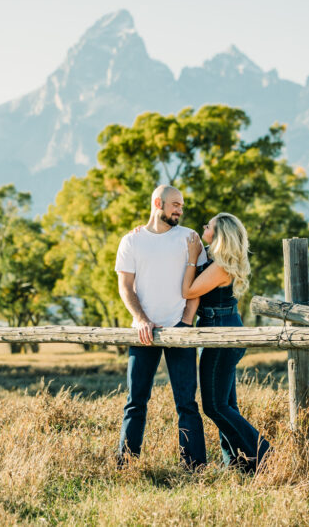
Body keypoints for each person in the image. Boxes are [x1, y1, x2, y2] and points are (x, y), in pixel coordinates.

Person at [115, 184, 207, 468]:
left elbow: (197, 287)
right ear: (158, 203)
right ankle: (126, 466)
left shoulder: (190, 238)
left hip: (180, 331)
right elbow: (125, 287)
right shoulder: (131, 241)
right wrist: (141, 319)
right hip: (144, 333)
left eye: (181, 205)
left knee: (187, 403)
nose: (180, 210)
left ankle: (193, 467)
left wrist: (186, 322)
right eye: (175, 204)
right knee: (135, 402)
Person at [182, 213, 272, 472]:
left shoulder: (221, 266)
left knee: (215, 405)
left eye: (208, 226)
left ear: (219, 234)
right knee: (227, 403)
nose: (203, 227)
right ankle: (237, 464)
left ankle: (266, 456)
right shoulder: (216, 260)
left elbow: (189, 291)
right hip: (221, 329)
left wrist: (191, 256)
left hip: (220, 333)